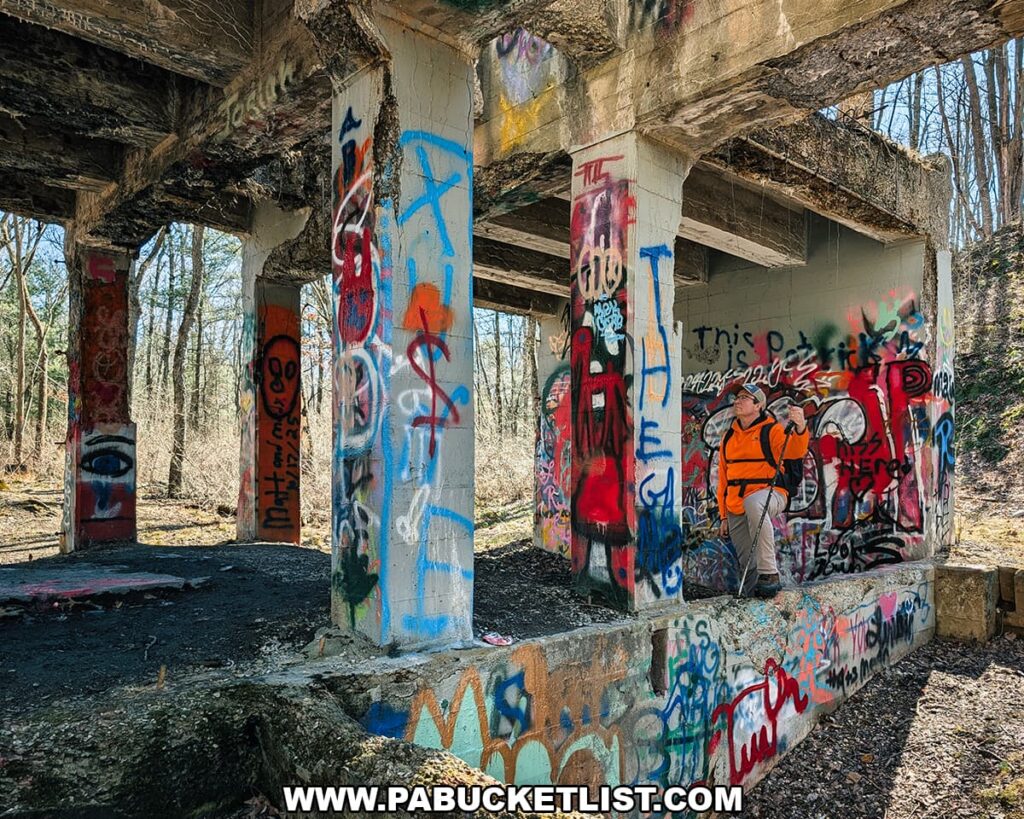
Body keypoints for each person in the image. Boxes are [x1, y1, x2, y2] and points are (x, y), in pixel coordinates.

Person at [716, 384, 808, 598]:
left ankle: (770, 573)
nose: (737, 401)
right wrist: (723, 516)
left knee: (754, 502)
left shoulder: (772, 430)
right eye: (737, 397)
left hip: (772, 494)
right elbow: (723, 479)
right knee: (748, 560)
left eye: (745, 398)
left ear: (758, 405)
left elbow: (795, 450)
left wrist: (801, 427)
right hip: (735, 505)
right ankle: (756, 603)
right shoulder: (728, 438)